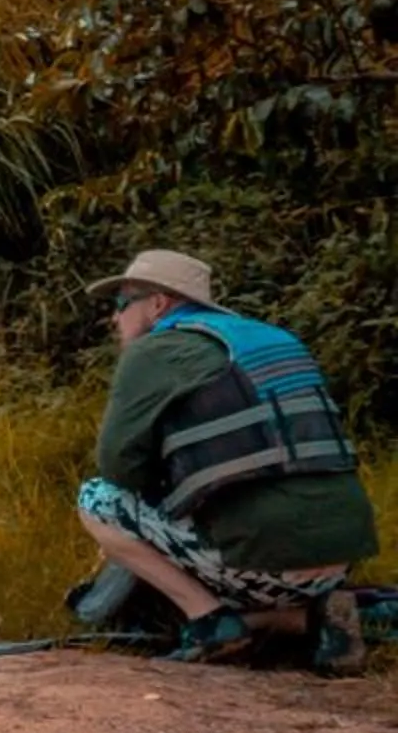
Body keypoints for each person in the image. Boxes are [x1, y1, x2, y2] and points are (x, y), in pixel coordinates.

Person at [72, 249, 377, 673]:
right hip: (340, 554)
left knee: (97, 499)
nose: (114, 318)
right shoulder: (275, 337)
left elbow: (117, 468)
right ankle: (312, 616)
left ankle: (209, 622)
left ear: (159, 304)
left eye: (122, 304)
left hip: (263, 564)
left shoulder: (154, 351)